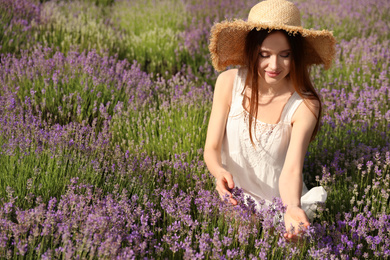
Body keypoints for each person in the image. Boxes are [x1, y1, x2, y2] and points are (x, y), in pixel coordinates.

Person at [204, 0, 336, 240]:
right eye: (264, 55)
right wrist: (218, 172)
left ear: (295, 56)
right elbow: (211, 148)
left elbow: (292, 169)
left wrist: (292, 206)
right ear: (251, 52)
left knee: (293, 241)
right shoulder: (228, 83)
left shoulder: (304, 105)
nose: (274, 66)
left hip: (280, 201)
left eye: (284, 55)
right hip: (234, 197)